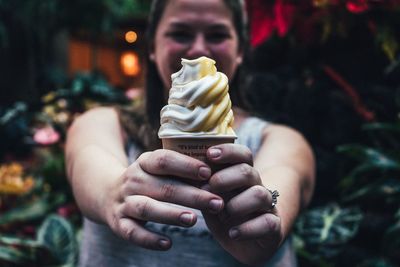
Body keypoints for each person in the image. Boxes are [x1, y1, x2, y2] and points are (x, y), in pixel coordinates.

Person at [65, 0, 315, 266]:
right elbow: (88, 161)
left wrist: (265, 212)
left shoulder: (277, 139)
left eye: (217, 35)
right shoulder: (104, 123)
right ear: (152, 47)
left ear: (240, 50)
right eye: (180, 33)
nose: (198, 49)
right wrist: (112, 195)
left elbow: (285, 175)